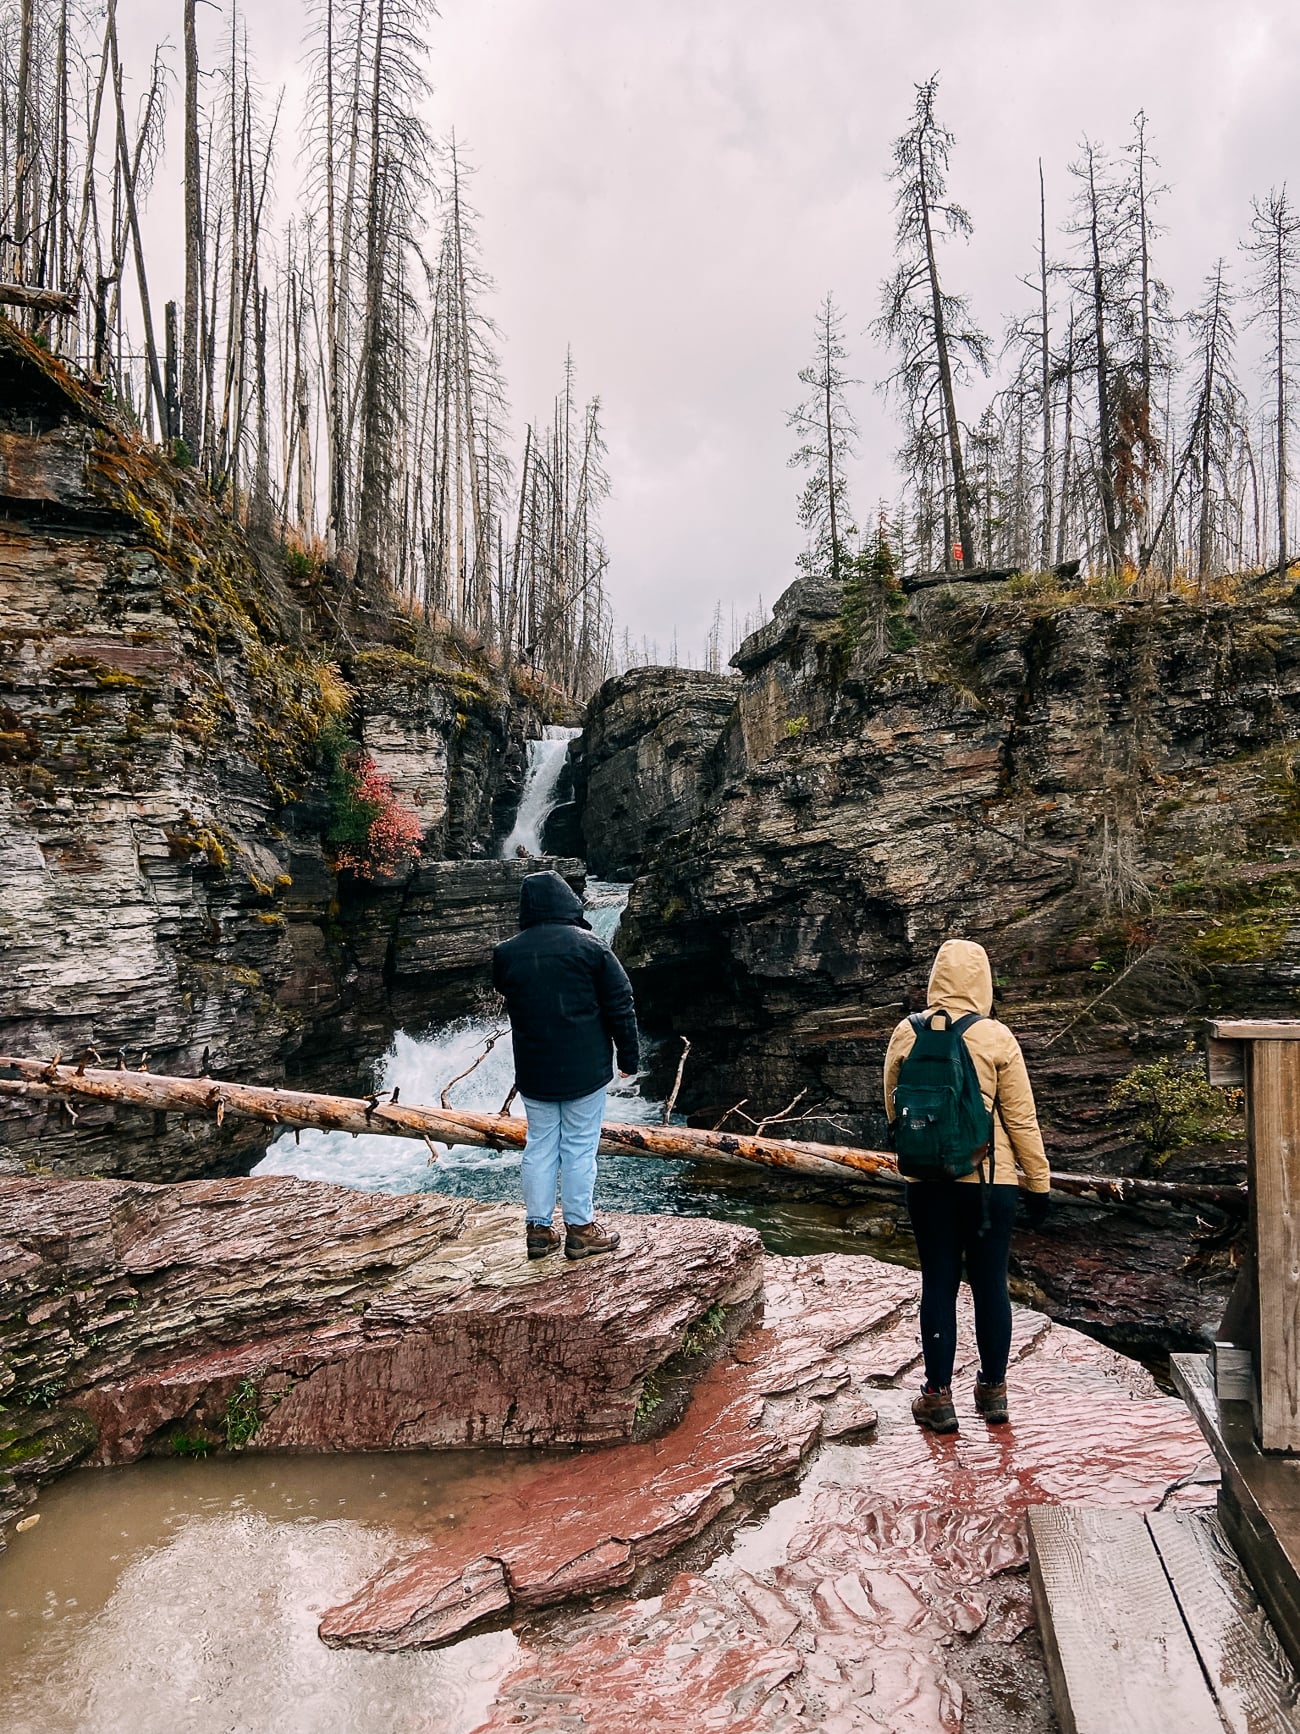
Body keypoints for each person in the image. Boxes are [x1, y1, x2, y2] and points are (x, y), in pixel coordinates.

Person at [883, 938, 1051, 1432]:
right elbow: (1021, 1119)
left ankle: (937, 1397)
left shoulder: (907, 1031)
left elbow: (893, 1105)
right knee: (989, 1283)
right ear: (983, 981)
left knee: (937, 1281)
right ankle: (993, 1391)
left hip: (927, 1179)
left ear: (937, 977)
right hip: (990, 1182)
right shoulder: (996, 1036)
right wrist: (1038, 1183)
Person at [492, 870, 639, 1261]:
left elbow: (506, 989)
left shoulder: (506, 952)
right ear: (567, 901)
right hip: (584, 1067)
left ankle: (539, 1231)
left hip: (534, 1067)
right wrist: (628, 1056)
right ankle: (580, 1230)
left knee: (540, 1145)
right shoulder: (591, 947)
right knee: (578, 1147)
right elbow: (621, 1003)